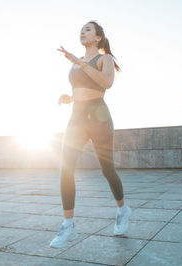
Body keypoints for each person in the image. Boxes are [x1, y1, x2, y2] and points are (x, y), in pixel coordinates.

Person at [50, 21, 131, 248]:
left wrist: (79, 63)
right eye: (81, 30)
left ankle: (123, 210)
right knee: (66, 167)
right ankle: (68, 226)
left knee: (107, 169)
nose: (82, 32)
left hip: (99, 116)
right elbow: (82, 89)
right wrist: (70, 97)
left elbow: (106, 83)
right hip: (76, 117)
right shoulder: (77, 64)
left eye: (87, 29)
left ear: (97, 37)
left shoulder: (105, 59)